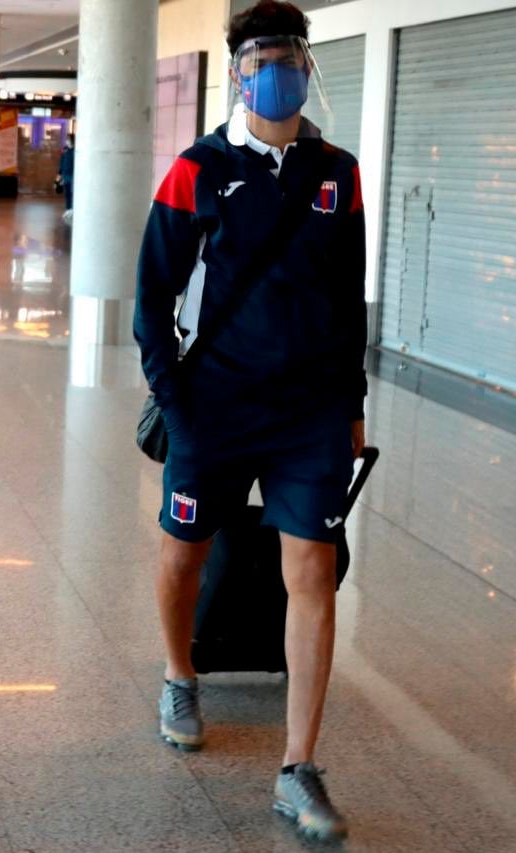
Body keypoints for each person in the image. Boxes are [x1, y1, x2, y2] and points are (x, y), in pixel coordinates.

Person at [134, 0, 366, 843]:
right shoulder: (197, 169)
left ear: (307, 67)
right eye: (263, 57)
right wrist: (176, 395)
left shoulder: (338, 170)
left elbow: (348, 299)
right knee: (183, 551)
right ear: (236, 71)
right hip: (215, 406)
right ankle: (178, 671)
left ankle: (298, 765)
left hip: (309, 412)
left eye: (291, 56)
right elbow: (152, 296)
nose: (279, 71)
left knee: (311, 568)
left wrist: (352, 404)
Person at [58, 133, 75, 222]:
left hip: (72, 175)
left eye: (68, 139)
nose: (67, 141)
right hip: (66, 175)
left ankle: (72, 209)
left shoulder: (75, 151)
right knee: (67, 193)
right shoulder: (65, 151)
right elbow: (62, 162)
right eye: (66, 139)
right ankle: (68, 209)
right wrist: (59, 176)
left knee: (72, 193)